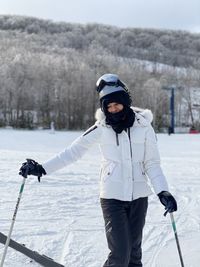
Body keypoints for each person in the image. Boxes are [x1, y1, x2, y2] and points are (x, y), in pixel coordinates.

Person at [19, 74, 177, 267]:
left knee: (134, 256)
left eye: (116, 104)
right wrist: (42, 169)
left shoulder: (144, 127)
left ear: (125, 102)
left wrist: (163, 191)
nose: (113, 109)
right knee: (120, 255)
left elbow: (152, 163)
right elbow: (72, 152)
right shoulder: (101, 128)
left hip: (139, 198)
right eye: (108, 106)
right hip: (112, 198)